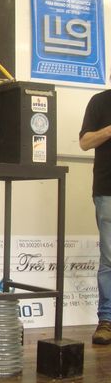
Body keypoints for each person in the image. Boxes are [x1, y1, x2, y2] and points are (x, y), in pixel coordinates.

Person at [80, 89, 111, 344]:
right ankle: (107, 320)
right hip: (107, 191)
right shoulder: (99, 101)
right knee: (110, 258)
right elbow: (85, 142)